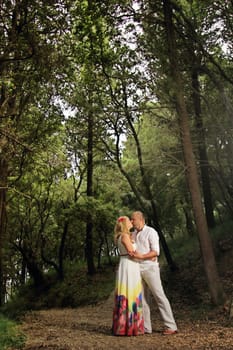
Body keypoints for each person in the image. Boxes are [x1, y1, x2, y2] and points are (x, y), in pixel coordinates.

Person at [131, 211, 178, 335]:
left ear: (140, 219)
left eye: (133, 219)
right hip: (137, 269)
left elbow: (155, 252)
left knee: (159, 296)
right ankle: (146, 328)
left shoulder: (151, 232)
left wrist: (142, 256)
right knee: (142, 299)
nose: (131, 222)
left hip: (150, 269)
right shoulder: (133, 234)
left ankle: (171, 326)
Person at [112, 216, 144, 336]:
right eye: (129, 220)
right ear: (125, 224)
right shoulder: (125, 236)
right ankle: (129, 326)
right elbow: (131, 252)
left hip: (127, 264)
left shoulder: (122, 236)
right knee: (130, 292)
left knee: (127, 292)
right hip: (129, 265)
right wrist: (146, 257)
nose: (131, 221)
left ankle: (124, 325)